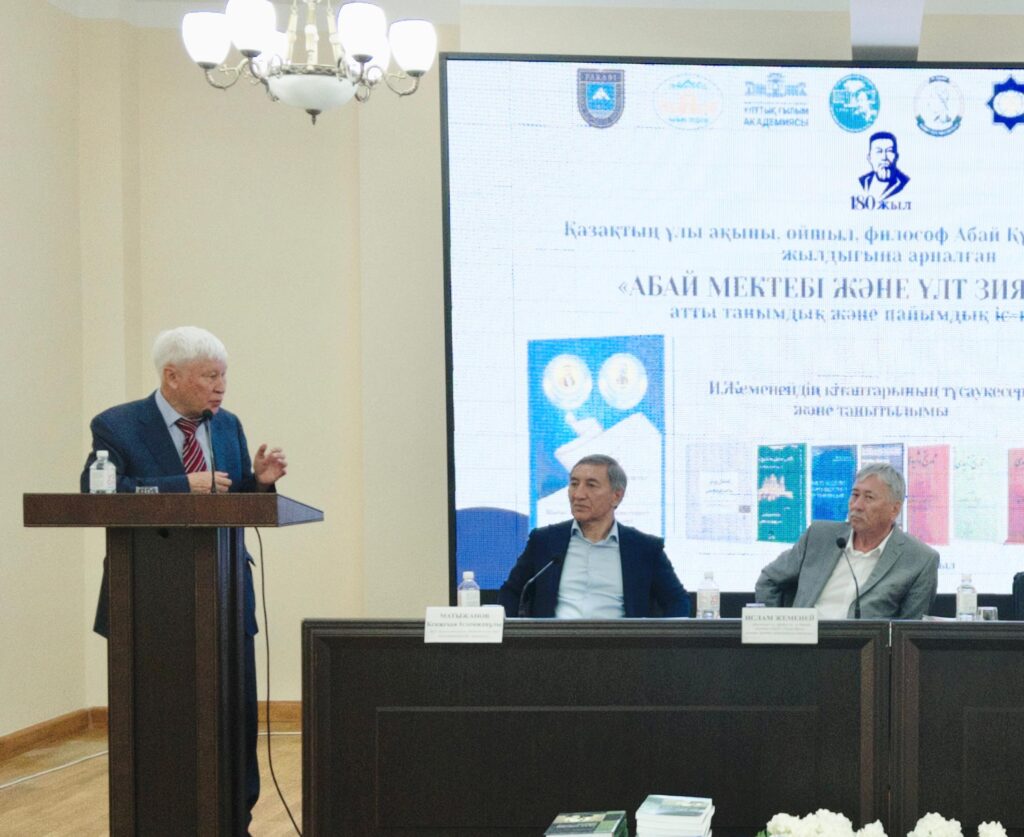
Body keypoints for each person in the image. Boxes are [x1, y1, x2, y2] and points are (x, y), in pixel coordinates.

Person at [80, 325, 287, 827]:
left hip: (225, 597)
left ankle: (234, 820)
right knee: (158, 722)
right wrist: (179, 485)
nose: (221, 387)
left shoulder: (227, 425)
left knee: (233, 718)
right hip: (146, 600)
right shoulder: (118, 425)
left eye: (223, 376)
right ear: (171, 376)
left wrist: (259, 486)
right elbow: (96, 491)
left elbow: (232, 503)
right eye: (209, 376)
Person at [498, 454, 689, 618]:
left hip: (621, 646)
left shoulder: (644, 548)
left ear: (616, 496)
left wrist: (658, 643)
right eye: (574, 484)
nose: (578, 495)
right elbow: (511, 593)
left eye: (591, 485)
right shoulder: (544, 541)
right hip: (554, 645)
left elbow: (678, 601)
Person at [755, 463, 938, 619]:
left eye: (869, 498)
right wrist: (779, 632)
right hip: (803, 643)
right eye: (855, 495)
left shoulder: (919, 560)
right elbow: (769, 580)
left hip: (864, 648)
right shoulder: (819, 536)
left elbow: (908, 633)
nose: (857, 505)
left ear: (894, 509)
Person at [858, 131, 910, 200]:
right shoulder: (862, 181)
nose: (884, 157)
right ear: (869, 158)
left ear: (896, 156)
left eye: (889, 151)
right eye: (879, 151)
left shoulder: (907, 184)